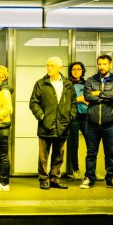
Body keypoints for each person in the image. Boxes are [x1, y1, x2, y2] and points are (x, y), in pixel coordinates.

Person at [29, 57, 76, 190]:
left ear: (60, 68)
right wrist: (42, 116)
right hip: (46, 125)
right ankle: (44, 179)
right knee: (43, 156)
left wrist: (71, 116)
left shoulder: (68, 84)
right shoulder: (40, 83)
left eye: (52, 66)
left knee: (59, 155)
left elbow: (73, 102)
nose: (49, 68)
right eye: (47, 65)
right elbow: (33, 103)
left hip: (63, 125)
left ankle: (55, 178)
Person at [81, 53, 113, 190]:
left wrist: (97, 93)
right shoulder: (90, 80)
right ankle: (89, 178)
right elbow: (87, 96)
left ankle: (111, 178)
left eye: (104, 64)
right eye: (99, 64)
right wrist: (105, 95)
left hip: (110, 123)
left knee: (110, 153)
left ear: (110, 64)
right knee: (91, 153)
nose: (101, 67)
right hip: (92, 123)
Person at [66, 61, 88, 180]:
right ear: (70, 71)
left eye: (79, 69)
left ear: (82, 71)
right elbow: (67, 100)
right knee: (74, 145)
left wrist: (84, 99)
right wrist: (80, 98)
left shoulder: (87, 83)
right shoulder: (67, 84)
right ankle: (75, 170)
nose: (76, 71)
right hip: (73, 118)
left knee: (91, 145)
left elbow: (91, 97)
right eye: (74, 69)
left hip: (86, 117)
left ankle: (90, 172)